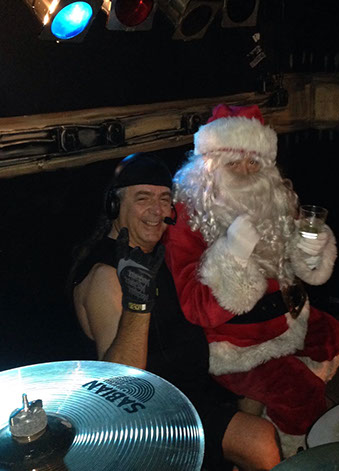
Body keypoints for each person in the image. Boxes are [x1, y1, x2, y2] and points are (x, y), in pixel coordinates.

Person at [69, 152, 281, 471]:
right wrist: (138, 303)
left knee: (259, 386)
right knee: (260, 441)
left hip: (193, 386)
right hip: (153, 407)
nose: (157, 210)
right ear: (114, 205)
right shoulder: (105, 275)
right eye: (143, 198)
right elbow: (119, 384)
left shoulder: (155, 254)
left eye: (164, 199)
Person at [164, 104, 339, 456]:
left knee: (332, 336)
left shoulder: (273, 199)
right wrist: (232, 256)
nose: (247, 172)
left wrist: (311, 252)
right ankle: (292, 452)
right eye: (234, 163)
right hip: (234, 345)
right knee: (302, 394)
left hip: (287, 320)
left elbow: (296, 262)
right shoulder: (188, 214)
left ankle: (271, 416)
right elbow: (195, 307)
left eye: (254, 162)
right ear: (209, 166)